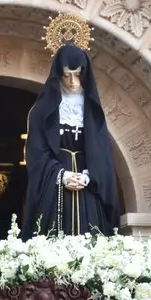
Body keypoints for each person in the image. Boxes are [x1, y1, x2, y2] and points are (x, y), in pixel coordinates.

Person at [22, 14, 119, 238]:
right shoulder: (42, 111)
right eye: (67, 76)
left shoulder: (91, 109)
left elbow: (102, 153)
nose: (73, 82)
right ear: (59, 74)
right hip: (55, 184)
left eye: (78, 75)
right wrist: (62, 176)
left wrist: (88, 176)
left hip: (87, 182)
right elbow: (37, 154)